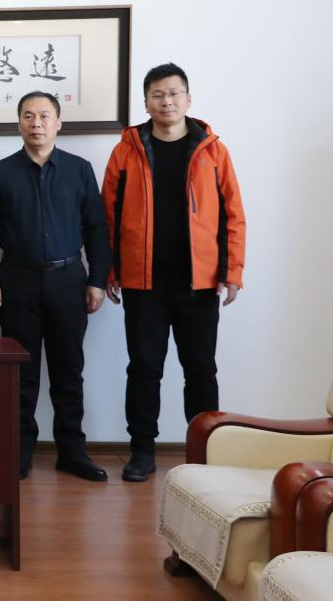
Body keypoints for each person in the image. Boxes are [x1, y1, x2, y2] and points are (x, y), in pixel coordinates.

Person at [102, 63, 246, 482]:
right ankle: (141, 452)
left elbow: (234, 215)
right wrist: (110, 270)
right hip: (143, 282)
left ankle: (205, 455)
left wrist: (232, 271)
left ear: (188, 98)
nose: (166, 101)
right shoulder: (126, 151)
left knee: (200, 369)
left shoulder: (213, 150)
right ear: (146, 102)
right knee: (144, 368)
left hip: (198, 282)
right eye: (158, 95)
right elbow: (107, 215)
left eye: (174, 93)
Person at [0, 91, 111, 483]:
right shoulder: (0, 173)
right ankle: (19, 451)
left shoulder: (79, 170)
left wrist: (97, 280)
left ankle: (72, 451)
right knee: (22, 373)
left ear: (58, 122)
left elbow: (96, 228)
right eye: (28, 116)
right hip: (17, 281)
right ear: (19, 123)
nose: (36, 123)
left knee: (69, 371)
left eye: (44, 115)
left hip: (69, 280)